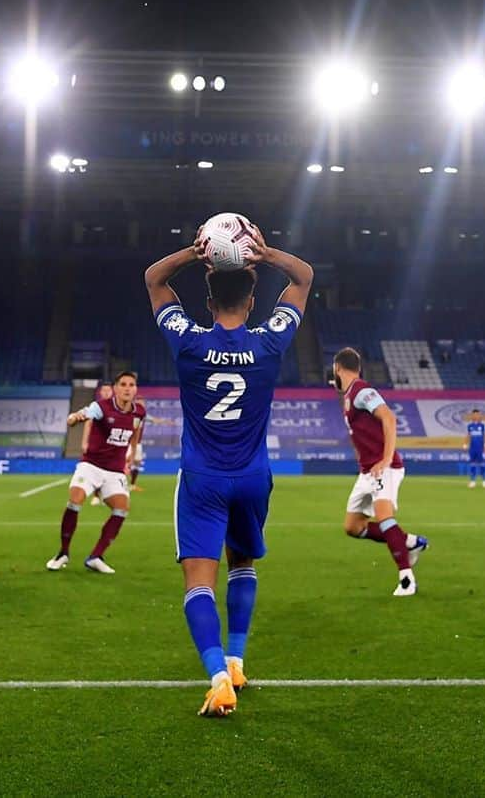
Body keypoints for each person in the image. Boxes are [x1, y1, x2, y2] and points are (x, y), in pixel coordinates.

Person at [145, 224, 312, 717]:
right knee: (243, 565)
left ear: (208, 295)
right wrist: (266, 252)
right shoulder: (269, 344)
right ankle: (238, 660)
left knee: (199, 583)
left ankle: (219, 678)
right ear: (255, 294)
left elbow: (154, 280)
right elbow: (303, 279)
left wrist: (193, 254)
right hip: (252, 477)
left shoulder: (189, 343)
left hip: (202, 479)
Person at [332, 347, 428, 596]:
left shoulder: (363, 391)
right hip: (368, 471)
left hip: (383, 468)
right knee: (353, 527)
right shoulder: (350, 396)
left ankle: (407, 580)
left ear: (337, 368)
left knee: (384, 518)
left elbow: (389, 418)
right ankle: (409, 542)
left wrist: (386, 459)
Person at [46, 371, 145, 574]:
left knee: (122, 508)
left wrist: (132, 454)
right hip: (91, 465)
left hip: (115, 470)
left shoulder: (139, 412)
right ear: (116, 388)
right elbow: (86, 414)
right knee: (75, 499)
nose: (127, 388)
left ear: (135, 389)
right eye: (123, 384)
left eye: (131, 385)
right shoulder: (102, 407)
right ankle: (63, 553)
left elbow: (134, 432)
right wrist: (75, 417)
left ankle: (96, 556)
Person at [466, 409, 485, 488]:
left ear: (480, 415)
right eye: (474, 414)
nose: (476, 416)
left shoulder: (483, 425)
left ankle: (484, 481)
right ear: (472, 415)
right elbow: (469, 435)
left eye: (478, 414)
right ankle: (473, 481)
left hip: (480, 448)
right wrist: (466, 444)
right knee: (472, 464)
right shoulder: (470, 426)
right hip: (472, 448)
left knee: (482, 464)